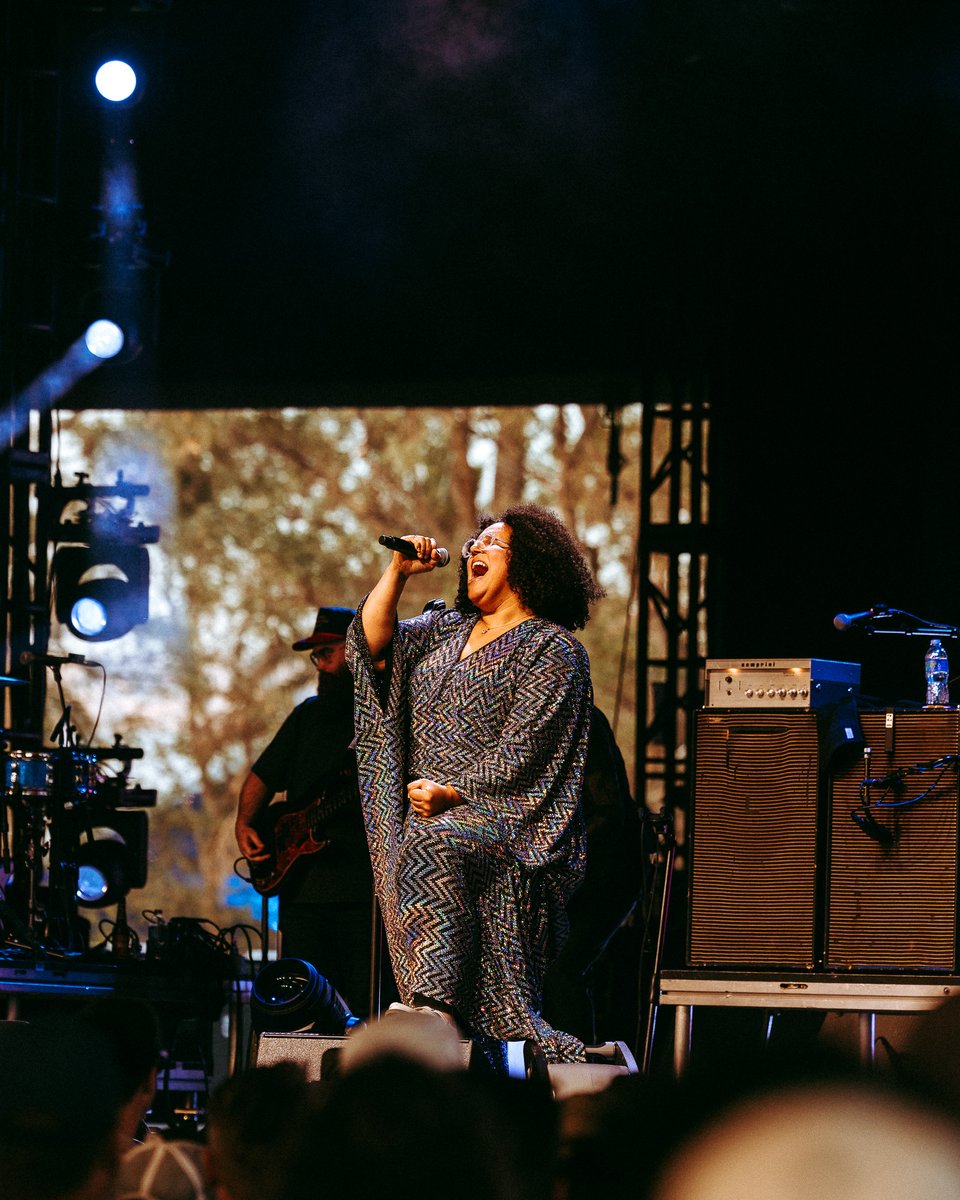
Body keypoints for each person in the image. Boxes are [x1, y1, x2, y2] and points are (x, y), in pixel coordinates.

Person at [346, 503, 604, 1062]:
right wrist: (398, 573)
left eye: (490, 543)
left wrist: (457, 792)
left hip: (510, 817)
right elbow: (370, 647)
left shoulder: (552, 649)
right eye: (471, 545)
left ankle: (432, 1008)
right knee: (418, 843)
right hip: (422, 807)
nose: (472, 553)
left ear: (527, 562)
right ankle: (436, 1009)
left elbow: (531, 746)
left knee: (435, 841)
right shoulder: (445, 627)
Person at [235, 605, 383, 1021]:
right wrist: (245, 824)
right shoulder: (307, 716)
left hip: (361, 894)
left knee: (360, 1006)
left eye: (328, 653)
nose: (319, 664)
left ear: (356, 652)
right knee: (301, 1006)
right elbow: (262, 775)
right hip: (301, 894)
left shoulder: (380, 716)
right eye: (315, 656)